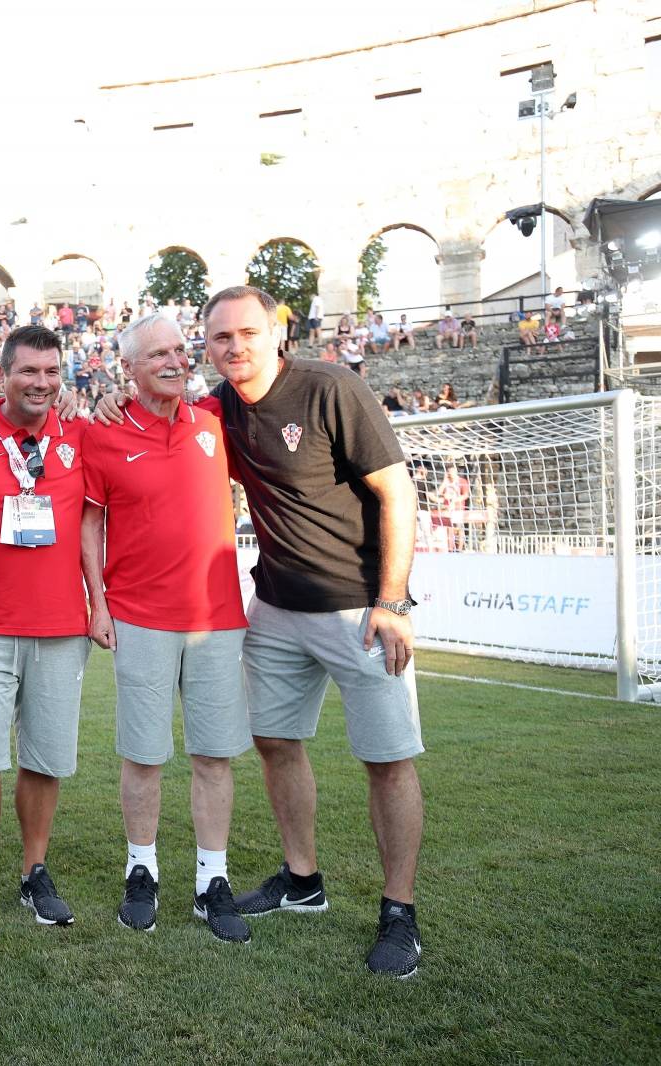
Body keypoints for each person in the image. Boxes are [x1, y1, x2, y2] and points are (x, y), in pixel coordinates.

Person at [203, 285, 424, 979]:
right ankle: (303, 880)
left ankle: (400, 911)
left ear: (277, 334)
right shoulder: (219, 407)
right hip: (273, 606)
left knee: (386, 759)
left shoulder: (333, 388)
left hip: (359, 608)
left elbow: (397, 493)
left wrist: (392, 602)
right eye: (220, 338)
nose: (234, 347)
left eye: (247, 333)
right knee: (274, 742)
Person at [80, 313, 252, 944]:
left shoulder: (213, 421)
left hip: (216, 619)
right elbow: (90, 526)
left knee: (213, 753)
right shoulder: (102, 432)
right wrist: (96, 601)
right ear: (129, 367)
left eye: (181, 350)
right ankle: (142, 869)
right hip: (140, 616)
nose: (176, 360)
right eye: (158, 354)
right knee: (145, 753)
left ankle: (213, 880)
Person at [0, 324, 90, 941]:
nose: (42, 383)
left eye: (52, 372)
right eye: (29, 371)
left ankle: (35, 870)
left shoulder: (83, 433)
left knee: (45, 758)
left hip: (61, 627)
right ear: (2, 374)